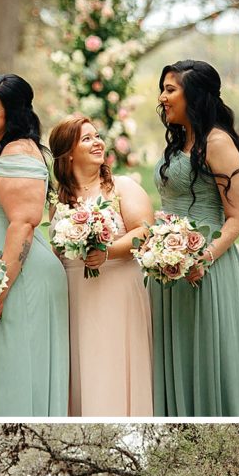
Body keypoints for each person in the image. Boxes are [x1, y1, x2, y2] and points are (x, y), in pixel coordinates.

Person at [0, 74, 70, 417]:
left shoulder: (19, 151)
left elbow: (22, 224)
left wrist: (0, 288)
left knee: (13, 372)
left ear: (14, 112)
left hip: (18, 280)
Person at [152, 59, 239, 416]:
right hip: (166, 270)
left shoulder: (218, 141)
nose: (163, 97)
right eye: (163, 89)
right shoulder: (181, 141)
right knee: (173, 353)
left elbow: (238, 217)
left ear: (193, 94)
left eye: (170, 89)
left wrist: (202, 258)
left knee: (206, 355)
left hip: (205, 270)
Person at [49, 115, 154, 416]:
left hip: (118, 289)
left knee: (114, 360)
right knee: (85, 365)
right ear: (68, 152)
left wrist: (107, 251)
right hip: (76, 293)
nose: (97, 143)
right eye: (87, 138)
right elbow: (57, 248)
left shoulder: (121, 187)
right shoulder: (59, 200)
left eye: (97, 136)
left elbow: (144, 231)